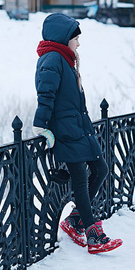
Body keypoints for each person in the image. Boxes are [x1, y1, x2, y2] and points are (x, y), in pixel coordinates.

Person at [32, 13, 123, 254]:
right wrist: (41, 126)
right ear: (64, 38)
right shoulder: (52, 59)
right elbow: (46, 95)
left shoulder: (65, 59)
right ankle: (94, 236)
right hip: (66, 131)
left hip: (79, 128)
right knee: (81, 180)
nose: (79, 43)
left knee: (101, 169)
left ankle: (74, 221)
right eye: (76, 38)